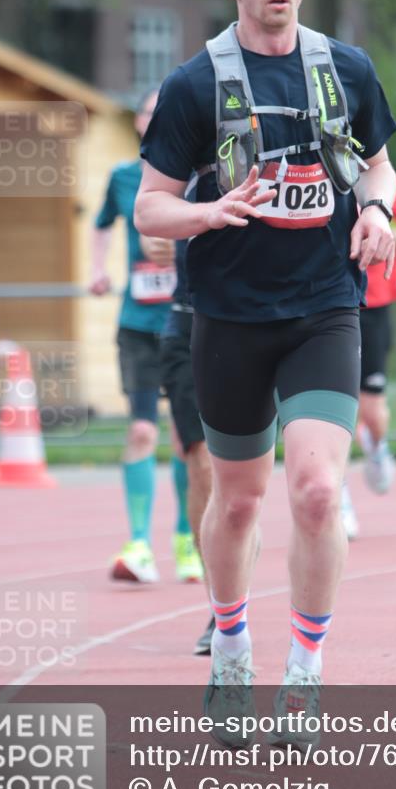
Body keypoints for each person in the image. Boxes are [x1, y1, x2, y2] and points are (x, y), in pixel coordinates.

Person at [135, 0, 396, 743]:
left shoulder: (345, 69)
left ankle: (306, 672)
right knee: (239, 502)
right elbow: (149, 208)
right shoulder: (193, 85)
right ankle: (233, 648)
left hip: (324, 307)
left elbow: (376, 168)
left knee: (318, 491)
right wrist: (208, 215)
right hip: (230, 315)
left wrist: (378, 213)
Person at [89, 91, 204, 586]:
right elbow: (101, 226)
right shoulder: (122, 177)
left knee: (186, 439)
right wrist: (97, 270)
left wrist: (181, 243)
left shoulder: (200, 173)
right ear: (137, 122)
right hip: (138, 322)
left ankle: (185, 538)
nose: (156, 120)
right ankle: (138, 542)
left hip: (187, 320)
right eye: (148, 113)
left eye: (164, 111)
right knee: (140, 431)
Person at [340, 177, 396, 539]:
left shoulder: (379, 178)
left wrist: (376, 235)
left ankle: (376, 444)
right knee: (334, 409)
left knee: (371, 412)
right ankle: (336, 498)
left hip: (373, 304)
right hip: (329, 304)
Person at [159, 177, 216, 654]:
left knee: (243, 483)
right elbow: (151, 230)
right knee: (201, 463)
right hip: (186, 324)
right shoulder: (173, 165)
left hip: (258, 325)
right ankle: (221, 608)